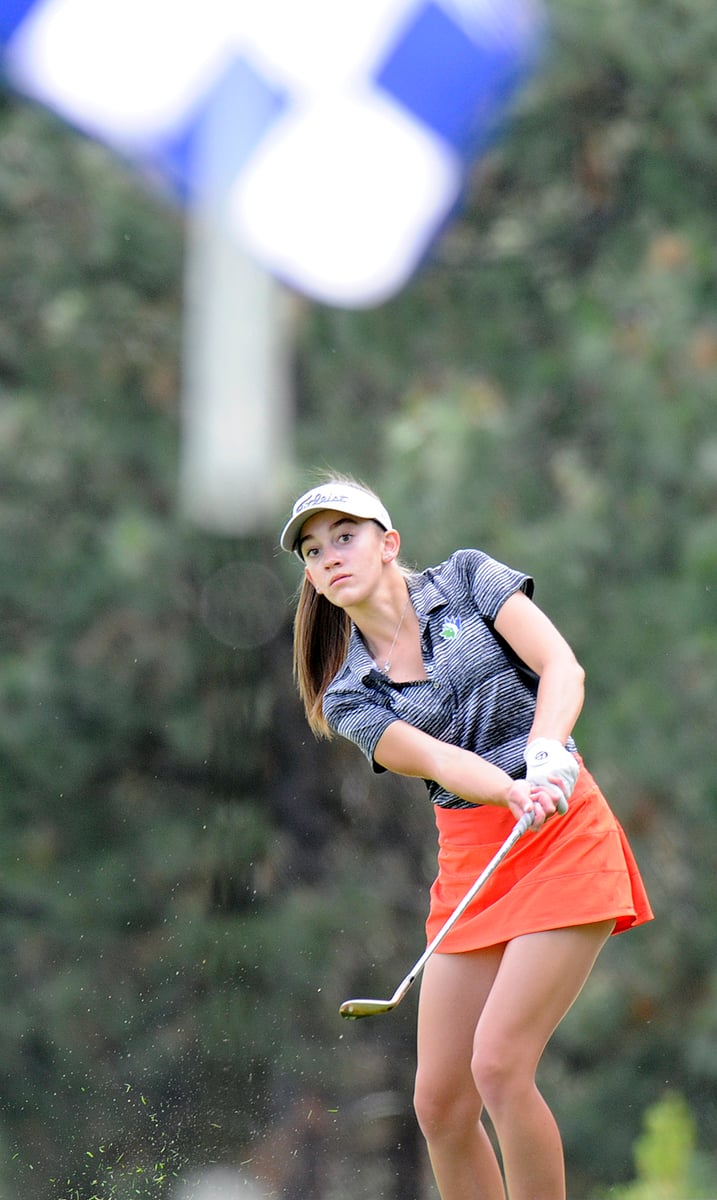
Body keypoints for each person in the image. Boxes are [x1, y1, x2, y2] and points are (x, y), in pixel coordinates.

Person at [280, 474, 653, 1200]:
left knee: (498, 1065)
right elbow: (439, 761)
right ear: (314, 581)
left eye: (344, 536)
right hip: (474, 856)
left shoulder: (468, 579)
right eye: (313, 551)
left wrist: (544, 752)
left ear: (388, 544)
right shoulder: (349, 692)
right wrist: (510, 788)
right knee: (440, 1104)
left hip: (561, 832)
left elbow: (559, 667)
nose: (330, 556)